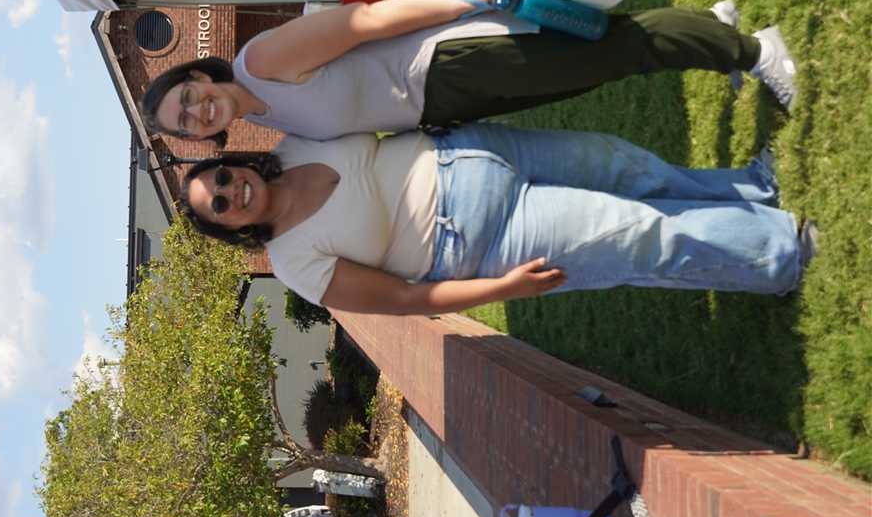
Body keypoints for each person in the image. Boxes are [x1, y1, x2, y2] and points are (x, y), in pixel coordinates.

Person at [180, 123, 816, 314]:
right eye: (220, 206)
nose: (233, 192)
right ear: (230, 229)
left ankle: (752, 188)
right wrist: (502, 290)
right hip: (485, 238)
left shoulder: (295, 144)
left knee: (626, 166)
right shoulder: (295, 262)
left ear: (233, 163)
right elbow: (404, 299)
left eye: (223, 178)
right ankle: (782, 254)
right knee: (637, 234)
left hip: (472, 151)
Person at [140, 0, 800, 147]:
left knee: (612, 49)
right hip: (447, 102)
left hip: (448, 62)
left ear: (197, 77)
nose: (197, 113)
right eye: (186, 124)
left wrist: (459, 5)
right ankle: (712, 26)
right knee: (594, 66)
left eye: (186, 100)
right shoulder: (271, 123)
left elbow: (365, 20)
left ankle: (755, 50)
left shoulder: (259, 63)